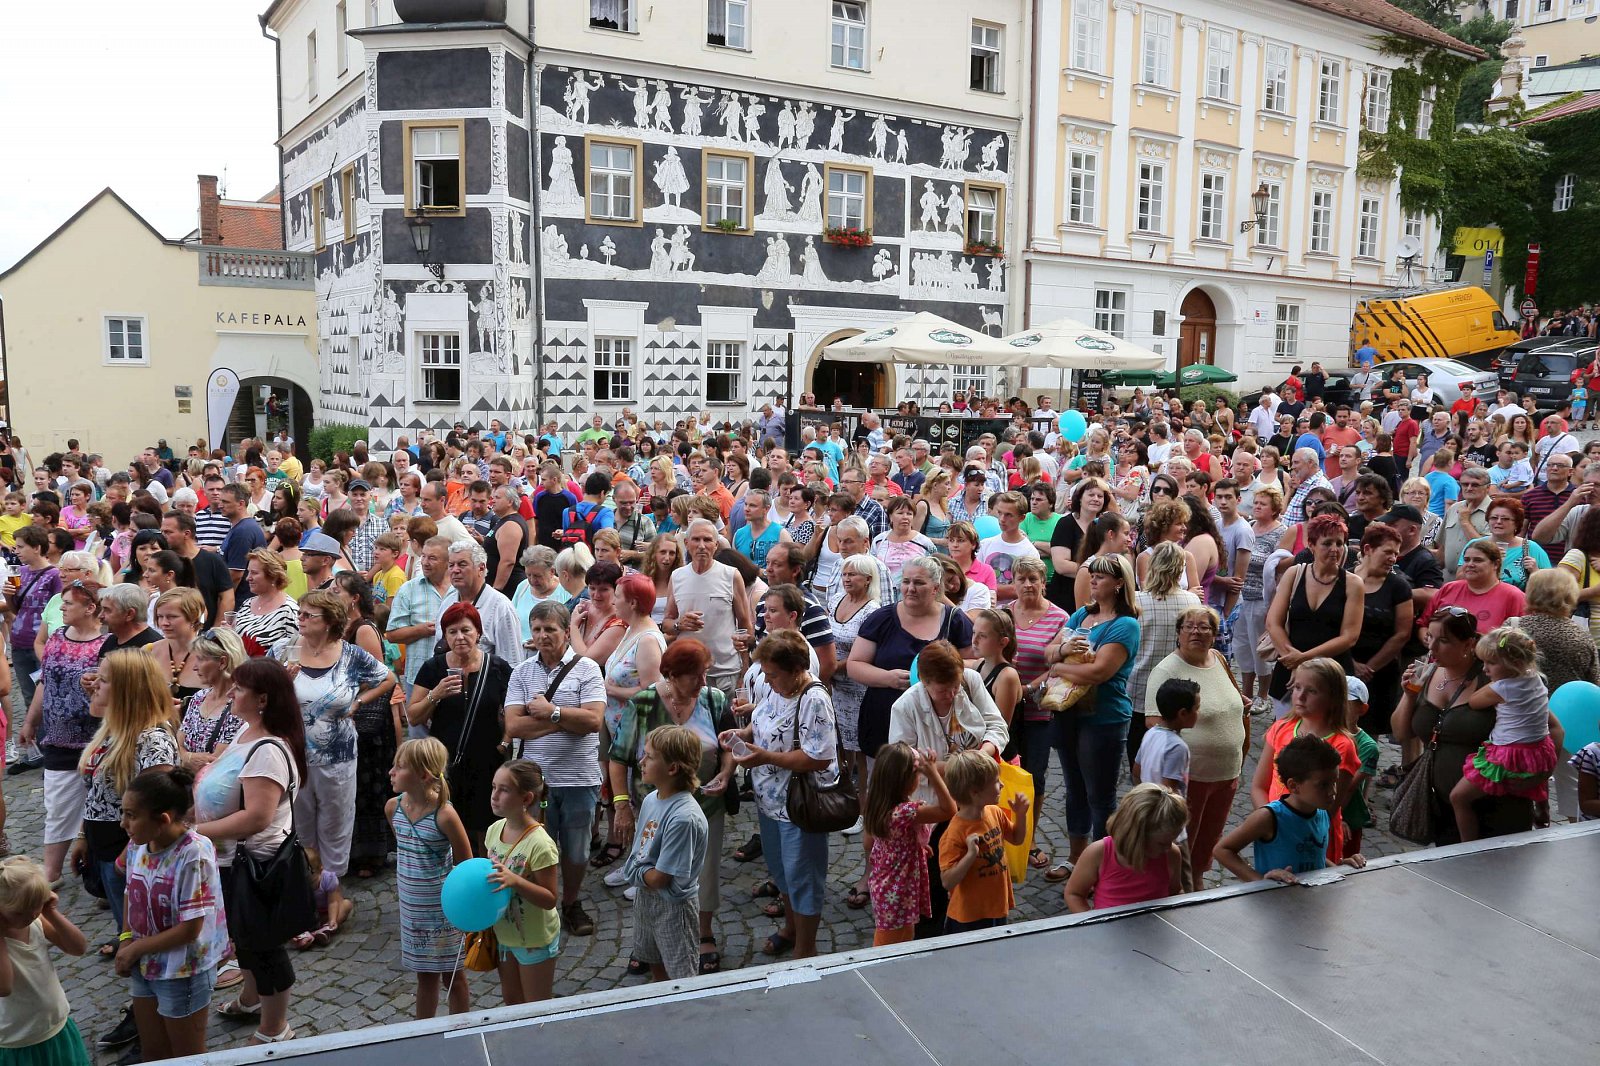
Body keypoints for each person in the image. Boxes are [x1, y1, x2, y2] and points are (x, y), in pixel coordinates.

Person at [192, 658, 306, 1043]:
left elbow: (257, 817)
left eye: (240, 689)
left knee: (263, 944)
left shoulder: (268, 750)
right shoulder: (246, 731)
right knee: (244, 937)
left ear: (262, 699)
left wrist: (195, 831)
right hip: (230, 858)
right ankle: (252, 997)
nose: (232, 693)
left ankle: (276, 1027)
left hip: (255, 863)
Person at [607, 638, 736, 975]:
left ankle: (702, 933)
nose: (703, 682)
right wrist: (621, 805)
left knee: (703, 873)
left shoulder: (714, 699)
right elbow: (619, 759)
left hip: (705, 804)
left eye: (705, 674)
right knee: (648, 876)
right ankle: (649, 943)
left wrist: (725, 773)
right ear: (672, 675)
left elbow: (729, 745)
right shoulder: (645, 703)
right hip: (654, 805)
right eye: (696, 676)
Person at [269, 589, 394, 912]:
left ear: (328, 622)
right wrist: (281, 683)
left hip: (338, 756)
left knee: (336, 820)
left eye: (309, 615)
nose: (301, 620)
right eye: (300, 613)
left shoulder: (350, 655)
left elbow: (387, 678)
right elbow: (259, 692)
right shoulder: (284, 650)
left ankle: (333, 889)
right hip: (294, 754)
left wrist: (358, 702)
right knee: (301, 821)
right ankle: (309, 885)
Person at [719, 629, 838, 960]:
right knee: (782, 871)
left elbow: (819, 757)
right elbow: (762, 721)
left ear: (796, 669)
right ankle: (791, 927)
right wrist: (742, 733)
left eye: (772, 674)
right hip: (768, 799)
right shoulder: (777, 689)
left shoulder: (813, 699)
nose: (767, 681)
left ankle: (806, 946)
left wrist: (765, 757)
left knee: (803, 875)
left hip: (799, 804)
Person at [503, 600, 607, 938]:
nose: (543, 635)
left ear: (566, 631)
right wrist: (563, 721)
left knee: (576, 850)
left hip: (579, 778)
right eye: (537, 629)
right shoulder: (522, 672)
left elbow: (593, 720)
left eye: (550, 629)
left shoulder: (588, 669)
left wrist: (551, 712)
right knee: (537, 849)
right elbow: (515, 727)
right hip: (535, 781)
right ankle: (540, 903)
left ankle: (572, 902)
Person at [115, 767, 228, 1061]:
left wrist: (136, 948)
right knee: (154, 1052)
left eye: (131, 815)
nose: (122, 823)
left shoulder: (194, 853)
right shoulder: (138, 844)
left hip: (182, 971)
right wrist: (127, 938)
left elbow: (190, 929)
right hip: (145, 963)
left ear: (163, 819)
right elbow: (131, 892)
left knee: (186, 1057)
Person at [1041, 554, 1142, 877]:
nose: (1093, 580)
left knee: (1100, 793)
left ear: (1118, 583)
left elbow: (1100, 672)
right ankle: (1076, 857)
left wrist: (1058, 664)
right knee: (1074, 788)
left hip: (1104, 717)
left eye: (1100, 576)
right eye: (1092, 575)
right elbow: (1049, 650)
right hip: (1070, 712)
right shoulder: (1083, 614)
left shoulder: (1125, 625)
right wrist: (1061, 655)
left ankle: (1103, 865)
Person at [18, 577, 105, 882]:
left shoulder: (106, 643)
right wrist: (30, 720)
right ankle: (51, 870)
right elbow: (46, 682)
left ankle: (97, 874)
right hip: (58, 738)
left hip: (96, 738)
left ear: (91, 608)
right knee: (57, 805)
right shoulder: (56, 636)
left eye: (69, 603)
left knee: (100, 807)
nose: (62, 607)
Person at [848, 556, 976, 759]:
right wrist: (888, 678)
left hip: (939, 723)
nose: (910, 588)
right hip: (885, 718)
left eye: (919, 583)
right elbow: (854, 665)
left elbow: (975, 663)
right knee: (885, 782)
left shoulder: (955, 620)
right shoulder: (882, 618)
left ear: (935, 588)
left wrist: (943, 671)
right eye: (906, 581)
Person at [386, 737, 472, 1019]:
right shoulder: (393, 808)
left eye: (400, 767)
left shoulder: (445, 815)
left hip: (442, 913)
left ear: (423, 775)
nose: (391, 772)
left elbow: (465, 867)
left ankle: (460, 1030)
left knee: (453, 977)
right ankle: (424, 1032)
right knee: (424, 977)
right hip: (413, 912)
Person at [619, 725, 710, 982]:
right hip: (646, 900)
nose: (641, 761)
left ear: (672, 769)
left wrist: (635, 871)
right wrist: (640, 869)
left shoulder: (683, 818)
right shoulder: (651, 799)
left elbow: (661, 878)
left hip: (673, 908)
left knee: (681, 976)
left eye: (649, 757)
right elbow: (642, 854)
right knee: (653, 961)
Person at [1450, 627, 1557, 841]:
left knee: (1458, 797)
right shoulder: (1536, 679)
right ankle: (1542, 808)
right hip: (1540, 751)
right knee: (1533, 768)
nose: (1485, 669)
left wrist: (1491, 685)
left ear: (1514, 664)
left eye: (1491, 663)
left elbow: (1474, 701)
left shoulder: (1503, 687)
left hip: (1510, 755)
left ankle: (1466, 846)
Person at [1252, 658, 1362, 864]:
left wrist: (1285, 829)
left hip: (1313, 838)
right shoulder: (1281, 728)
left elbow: (1328, 806)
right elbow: (1259, 786)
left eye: (1312, 691)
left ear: (1333, 697)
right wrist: (1269, 822)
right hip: (1276, 834)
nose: (1300, 696)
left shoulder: (1341, 744)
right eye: (1297, 687)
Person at [1215, 735, 1367, 883]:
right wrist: (1260, 882)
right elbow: (1222, 850)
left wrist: (1340, 870)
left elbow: (1314, 855)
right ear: (1294, 786)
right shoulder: (1269, 817)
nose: (1333, 791)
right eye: (1323, 785)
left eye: (1335, 782)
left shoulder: (1322, 813)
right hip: (1274, 903)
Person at [595, 573, 666, 868]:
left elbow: (651, 691)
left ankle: (646, 866)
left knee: (643, 801)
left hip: (639, 735)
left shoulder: (648, 639)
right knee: (631, 801)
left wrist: (608, 689)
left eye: (618, 596)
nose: (612, 600)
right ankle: (634, 864)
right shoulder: (630, 629)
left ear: (633, 603)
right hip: (620, 731)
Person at [1264, 513, 1363, 716]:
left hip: (1330, 673)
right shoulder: (1294, 574)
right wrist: (1291, 659)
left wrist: (1303, 660)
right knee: (1285, 737)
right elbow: (1274, 623)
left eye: (1339, 543)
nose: (1335, 549)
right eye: (1327, 543)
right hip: (1289, 670)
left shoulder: (1353, 584)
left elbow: (1349, 637)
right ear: (1311, 545)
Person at [0, 856, 92, 1065]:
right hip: (16, 1044)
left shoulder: (35, 920)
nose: (32, 914)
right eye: (22, 911)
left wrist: (50, 912)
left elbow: (78, 948)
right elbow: (3, 987)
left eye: (37, 905)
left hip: (57, 1028)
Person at [484, 759, 562, 1005]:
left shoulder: (540, 844)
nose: (494, 796)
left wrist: (515, 881)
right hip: (505, 936)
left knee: (535, 1009)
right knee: (512, 1004)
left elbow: (549, 899)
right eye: (494, 787)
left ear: (526, 799)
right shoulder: (494, 830)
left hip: (535, 941)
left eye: (504, 790)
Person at [863, 743, 956, 946]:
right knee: (891, 944)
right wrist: (933, 774)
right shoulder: (906, 812)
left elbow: (871, 842)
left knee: (895, 935)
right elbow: (949, 809)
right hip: (899, 890)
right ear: (907, 781)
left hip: (886, 886)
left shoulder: (878, 803)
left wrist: (915, 846)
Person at [937, 750, 1028, 932]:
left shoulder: (994, 812)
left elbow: (1017, 839)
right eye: (995, 782)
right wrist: (970, 856)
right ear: (975, 792)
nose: (1002, 785)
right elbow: (947, 881)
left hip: (996, 906)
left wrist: (1021, 815)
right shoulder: (954, 833)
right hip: (968, 917)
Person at [1128, 542, 1202, 765]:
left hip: (1139, 686)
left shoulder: (1136, 600)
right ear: (1180, 570)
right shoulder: (1191, 601)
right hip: (1177, 686)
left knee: (1138, 754)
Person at [1063, 782, 1187, 912]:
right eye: (1161, 843)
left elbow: (1175, 891)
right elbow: (1074, 894)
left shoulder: (1172, 855)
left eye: (1172, 840)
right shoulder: (1099, 853)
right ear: (1137, 836)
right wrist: (1093, 925)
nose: (1168, 847)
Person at [663, 520, 753, 697]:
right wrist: (679, 625)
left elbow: (745, 625)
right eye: (696, 539)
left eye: (707, 540)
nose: (702, 546)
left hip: (724, 672)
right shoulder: (677, 576)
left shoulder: (731, 575)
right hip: (687, 672)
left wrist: (745, 668)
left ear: (716, 544)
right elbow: (666, 622)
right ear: (687, 543)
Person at [1517, 569, 1600, 692]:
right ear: (1571, 595)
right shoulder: (1582, 636)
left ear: (1531, 592)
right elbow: (1594, 683)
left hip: (1522, 705)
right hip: (1566, 706)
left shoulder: (1515, 627)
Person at [178, 627, 246, 770]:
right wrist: (187, 758)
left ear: (222, 662)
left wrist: (184, 756)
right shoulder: (199, 697)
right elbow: (177, 745)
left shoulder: (240, 705)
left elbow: (215, 762)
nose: (194, 667)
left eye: (201, 659)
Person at [1423, 539, 1525, 633]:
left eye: (1478, 560)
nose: (1470, 564)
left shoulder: (1513, 596)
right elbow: (1423, 624)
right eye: (1466, 560)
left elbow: (1521, 640)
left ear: (1496, 564)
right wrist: (1430, 641)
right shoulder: (1448, 588)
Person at [1464, 497, 1548, 591]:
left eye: (1505, 519)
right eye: (1494, 518)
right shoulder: (1475, 545)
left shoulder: (1531, 548)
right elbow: (1460, 579)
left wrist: (1535, 572)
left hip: (1519, 603)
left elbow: (1550, 586)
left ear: (1517, 523)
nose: (1498, 522)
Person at [232, 550, 299, 652]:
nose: (248, 578)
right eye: (248, 572)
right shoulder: (247, 604)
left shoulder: (289, 610)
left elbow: (295, 652)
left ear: (273, 576)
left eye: (254, 573)